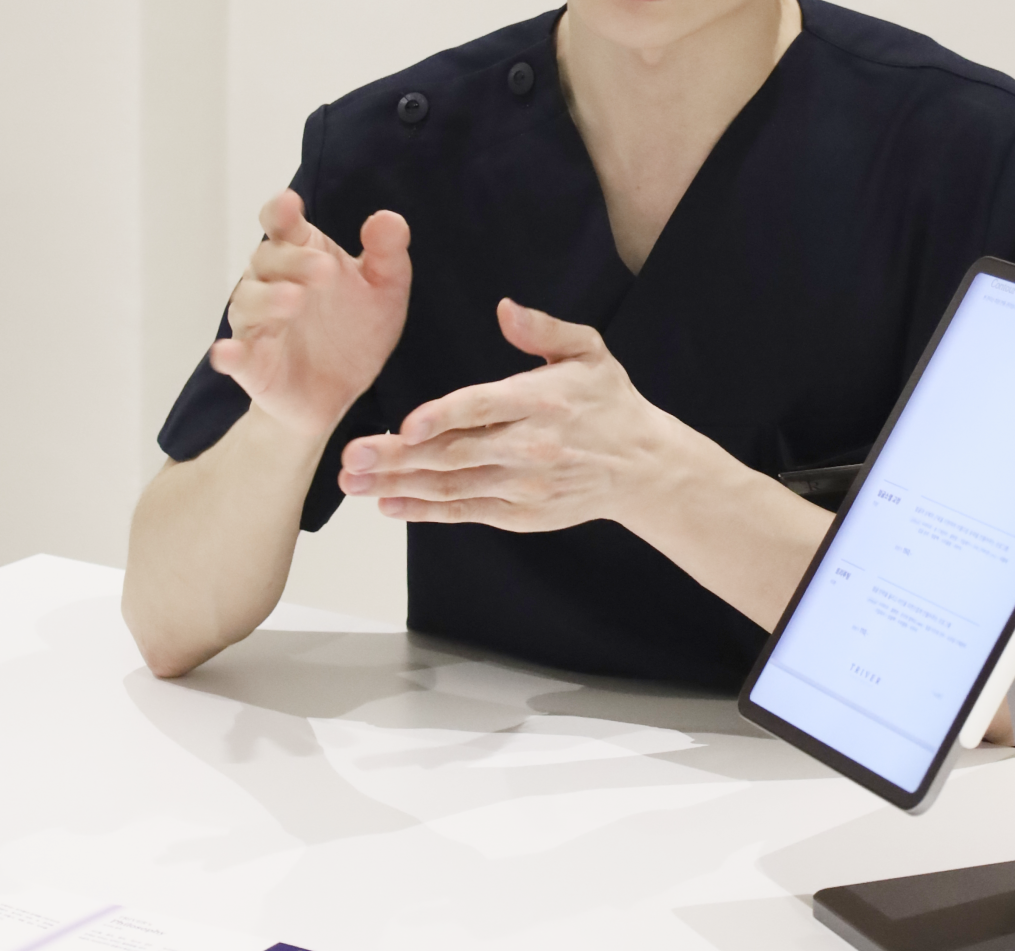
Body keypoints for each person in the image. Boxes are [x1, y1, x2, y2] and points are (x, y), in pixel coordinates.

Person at [122, 0, 1015, 740]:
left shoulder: (973, 155)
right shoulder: (393, 154)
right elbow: (163, 620)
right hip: (475, 829)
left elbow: (1003, 695)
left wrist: (657, 479)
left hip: (832, 827)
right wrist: (288, 425)